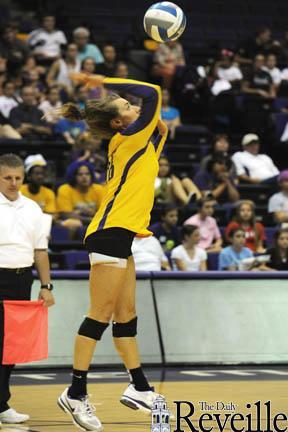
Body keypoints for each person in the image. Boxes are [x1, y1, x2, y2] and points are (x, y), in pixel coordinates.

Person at [54, 72, 170, 431]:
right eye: (126, 105)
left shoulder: (137, 142)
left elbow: (160, 132)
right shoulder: (127, 137)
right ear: (119, 122)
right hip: (108, 233)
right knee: (100, 314)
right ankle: (75, 393)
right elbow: (152, 91)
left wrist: (156, 124)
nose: (135, 105)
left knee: (127, 317)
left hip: (123, 236)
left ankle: (139, 387)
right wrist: (98, 79)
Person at [0, 153, 55, 425]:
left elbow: (40, 251)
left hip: (23, 280)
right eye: (7, 178)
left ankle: (1, 404)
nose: (13, 183)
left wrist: (46, 286)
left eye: (17, 178)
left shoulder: (34, 208)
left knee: (12, 346)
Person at [56, 160, 105, 230]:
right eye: (80, 174)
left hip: (94, 222)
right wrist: (90, 219)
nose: (84, 177)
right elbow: (66, 215)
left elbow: (102, 212)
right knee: (73, 223)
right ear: (73, 176)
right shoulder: (65, 189)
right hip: (76, 223)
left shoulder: (99, 189)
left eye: (87, 174)